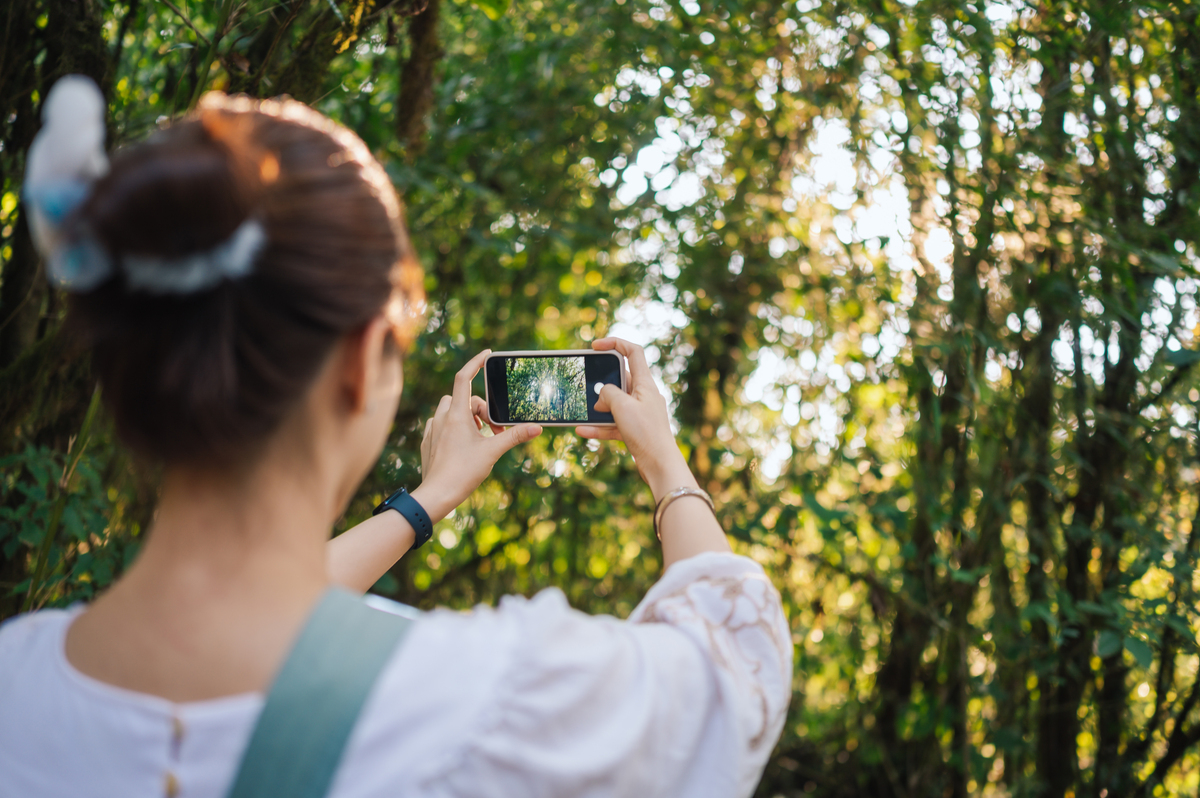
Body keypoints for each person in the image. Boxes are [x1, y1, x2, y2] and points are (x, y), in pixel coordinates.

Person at [0, 77, 792, 798]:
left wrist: (428, 501)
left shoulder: (17, 680)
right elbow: (734, 663)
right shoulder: (493, 704)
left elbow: (263, 595)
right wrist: (663, 460)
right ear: (359, 358)